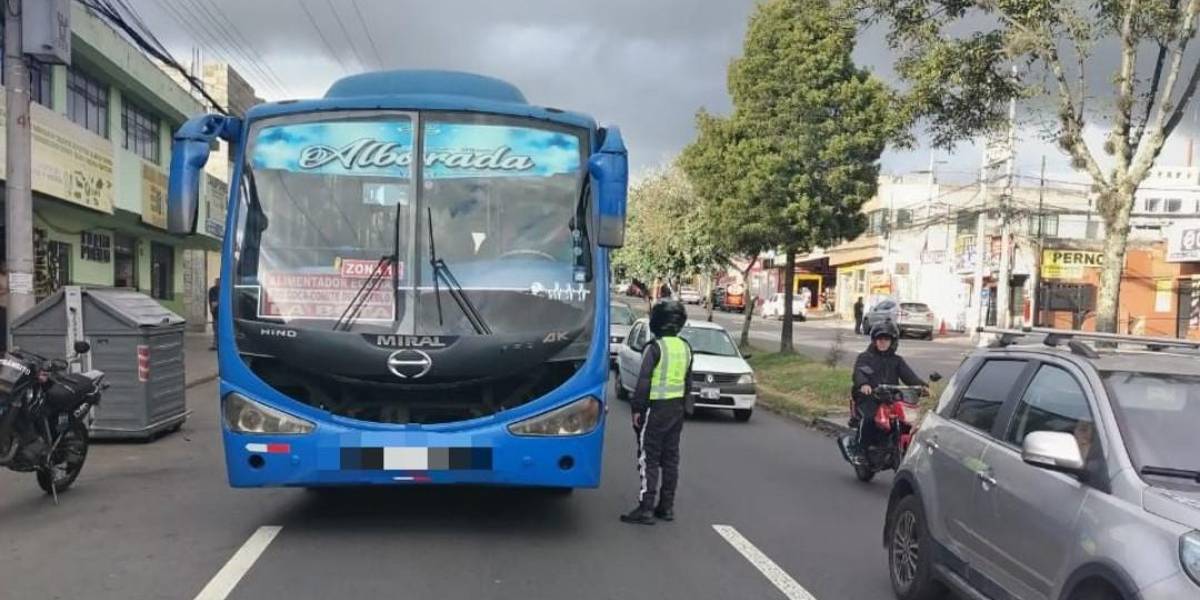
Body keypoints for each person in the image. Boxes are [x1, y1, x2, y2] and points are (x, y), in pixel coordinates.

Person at [621, 299, 692, 525]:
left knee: (648, 458)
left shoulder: (655, 348)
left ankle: (646, 508)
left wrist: (637, 409)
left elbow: (643, 382)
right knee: (670, 459)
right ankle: (666, 507)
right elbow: (688, 381)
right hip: (676, 410)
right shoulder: (685, 347)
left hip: (655, 409)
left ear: (656, 322)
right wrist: (686, 408)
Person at [848, 321, 925, 464]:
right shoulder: (866, 357)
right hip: (869, 397)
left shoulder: (897, 360)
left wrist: (922, 387)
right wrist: (864, 384)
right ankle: (860, 450)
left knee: (907, 420)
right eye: (880, 339)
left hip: (890, 397)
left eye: (886, 339)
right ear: (874, 340)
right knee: (870, 418)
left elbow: (909, 377)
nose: (883, 342)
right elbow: (859, 373)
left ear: (893, 341)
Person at [208, 278, 220, 351]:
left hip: (218, 313)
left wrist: (213, 307)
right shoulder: (213, 290)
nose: (217, 283)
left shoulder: (214, 290)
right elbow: (213, 302)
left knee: (216, 329)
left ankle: (216, 345)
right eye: (216, 282)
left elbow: (214, 303)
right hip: (216, 313)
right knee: (216, 329)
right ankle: (215, 345)